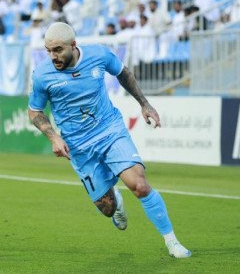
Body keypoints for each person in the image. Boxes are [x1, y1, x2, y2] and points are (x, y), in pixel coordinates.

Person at [28, 22, 192, 258]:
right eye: (48, 51)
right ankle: (115, 198)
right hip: (78, 146)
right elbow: (35, 111)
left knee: (140, 185)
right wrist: (53, 136)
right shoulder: (43, 75)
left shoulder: (99, 54)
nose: (52, 56)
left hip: (109, 130)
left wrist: (144, 104)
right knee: (107, 208)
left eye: (57, 50)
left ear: (73, 46)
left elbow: (123, 73)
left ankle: (173, 242)